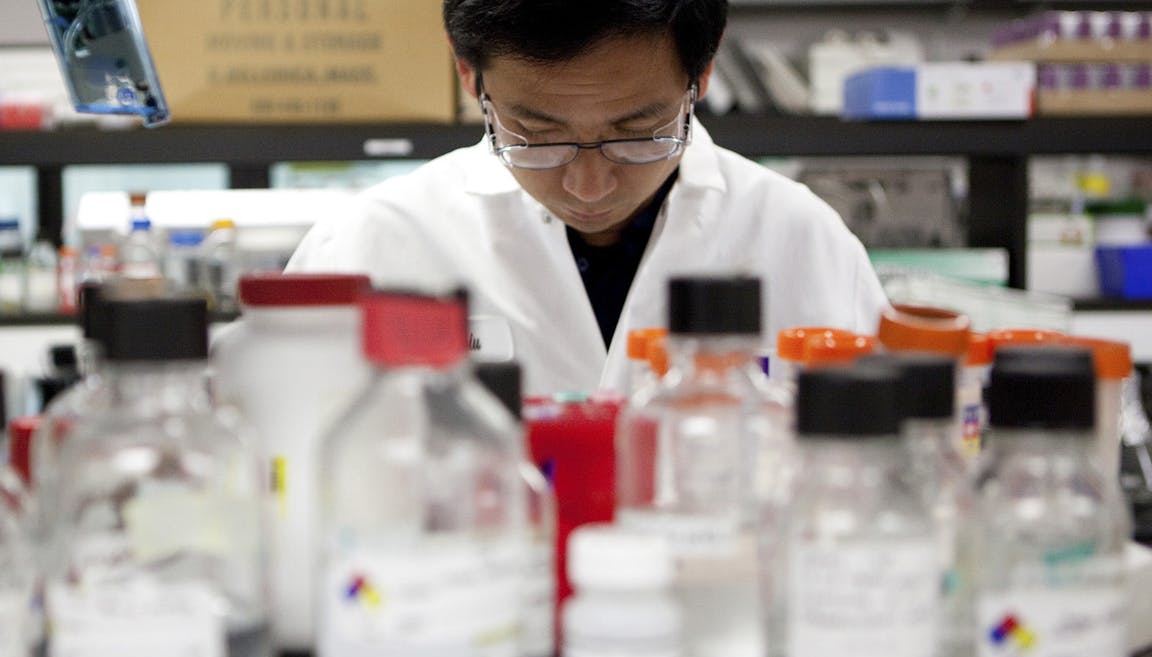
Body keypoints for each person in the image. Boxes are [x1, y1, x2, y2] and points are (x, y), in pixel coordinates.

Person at [284, 0, 888, 396]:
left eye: (636, 135)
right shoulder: (372, 243)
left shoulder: (803, 238)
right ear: (471, 76)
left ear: (701, 76)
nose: (588, 186)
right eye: (538, 136)